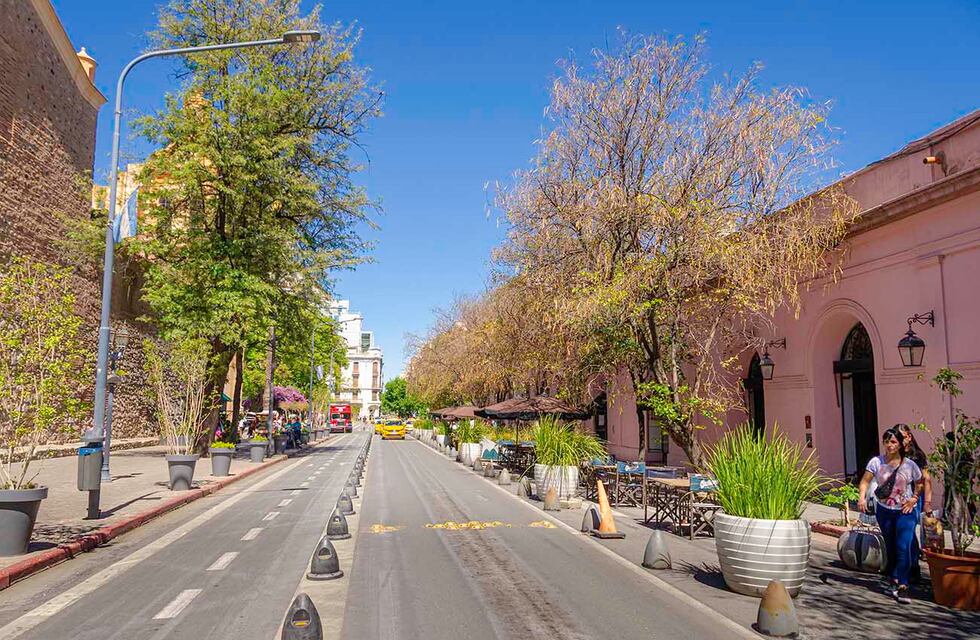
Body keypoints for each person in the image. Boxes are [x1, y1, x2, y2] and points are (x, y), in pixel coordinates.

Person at [858, 426, 925, 604]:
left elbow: (920, 483)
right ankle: (894, 576)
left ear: (900, 444)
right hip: (885, 510)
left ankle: (903, 585)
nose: (889, 445)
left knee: (903, 546)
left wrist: (915, 499)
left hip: (905, 511)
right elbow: (865, 481)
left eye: (893, 441)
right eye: (886, 441)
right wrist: (862, 498)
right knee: (891, 545)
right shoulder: (876, 462)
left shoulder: (910, 465)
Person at [895, 424, 932, 582]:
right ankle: (908, 565)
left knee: (907, 531)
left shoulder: (917, 456)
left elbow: (927, 479)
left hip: (914, 498)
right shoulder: (896, 454)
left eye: (901, 437)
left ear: (909, 436)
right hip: (898, 498)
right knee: (902, 532)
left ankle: (912, 566)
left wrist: (927, 502)